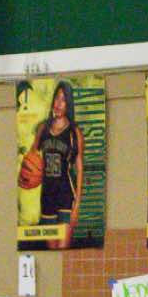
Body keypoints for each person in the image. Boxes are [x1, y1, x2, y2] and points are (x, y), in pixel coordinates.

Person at [33, 82, 84, 249]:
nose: (59, 103)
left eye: (63, 100)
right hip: (47, 195)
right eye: (57, 98)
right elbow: (32, 157)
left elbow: (79, 167)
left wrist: (77, 204)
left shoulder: (74, 132)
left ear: (69, 103)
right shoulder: (43, 128)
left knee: (63, 250)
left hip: (66, 195)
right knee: (52, 251)